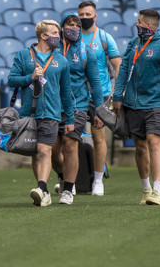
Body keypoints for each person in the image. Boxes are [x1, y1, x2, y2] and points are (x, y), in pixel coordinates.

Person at [112, 9, 160, 206]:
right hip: (132, 103)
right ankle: (146, 188)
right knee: (139, 147)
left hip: (156, 104)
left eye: (138, 22)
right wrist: (118, 95)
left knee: (154, 143)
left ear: (147, 25)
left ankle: (157, 191)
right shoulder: (133, 43)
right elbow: (122, 72)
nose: (136, 24)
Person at [8, 20, 74, 207]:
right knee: (35, 154)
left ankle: (42, 188)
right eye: (54, 33)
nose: (58, 36)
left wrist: (69, 118)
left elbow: (65, 93)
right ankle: (43, 192)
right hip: (28, 114)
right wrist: (31, 77)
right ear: (43, 36)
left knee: (44, 150)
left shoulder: (61, 61)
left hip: (51, 113)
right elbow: (11, 80)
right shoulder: (23, 55)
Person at [51, 13, 104, 205]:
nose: (73, 27)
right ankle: (63, 176)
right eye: (69, 24)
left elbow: (95, 83)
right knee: (53, 151)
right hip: (53, 106)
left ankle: (68, 191)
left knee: (70, 145)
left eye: (76, 24)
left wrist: (98, 110)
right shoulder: (52, 48)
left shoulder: (86, 51)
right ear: (62, 27)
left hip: (77, 106)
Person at [78, 0, 122, 196]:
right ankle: (69, 180)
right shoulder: (73, 37)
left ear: (95, 16)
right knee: (71, 139)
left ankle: (97, 181)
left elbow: (118, 65)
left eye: (88, 15)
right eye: (82, 15)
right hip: (77, 95)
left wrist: (116, 91)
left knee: (98, 136)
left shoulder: (104, 38)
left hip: (101, 94)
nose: (85, 18)